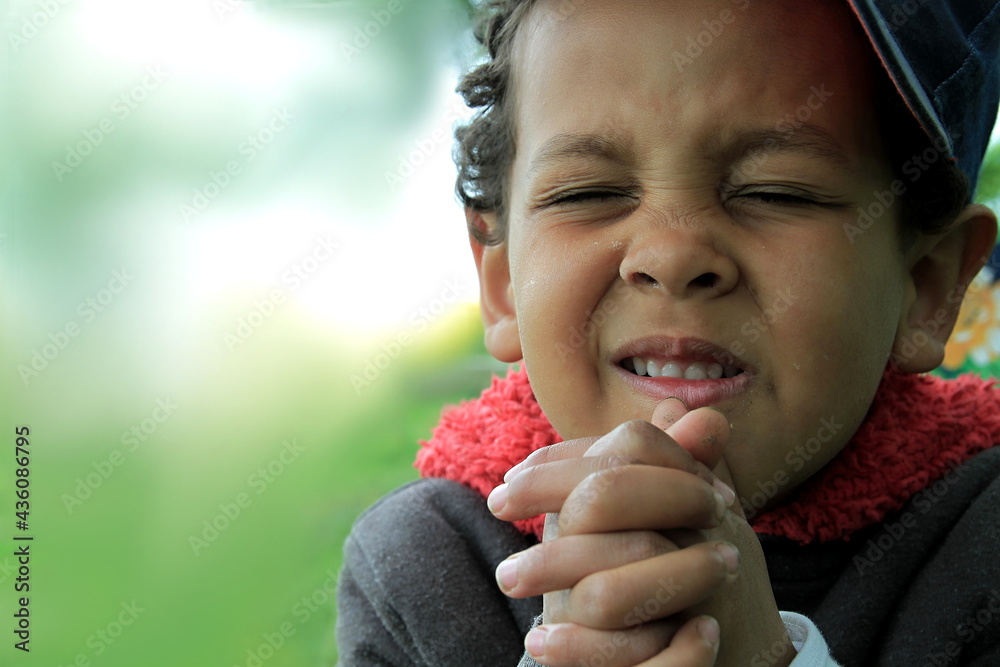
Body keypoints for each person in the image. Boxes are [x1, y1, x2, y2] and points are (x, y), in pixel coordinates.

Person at [335, 1, 1000, 665]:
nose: (672, 255)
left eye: (776, 191)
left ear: (927, 285)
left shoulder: (981, 543)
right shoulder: (424, 564)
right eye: (587, 192)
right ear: (502, 283)